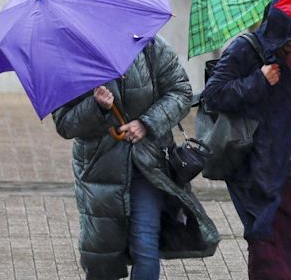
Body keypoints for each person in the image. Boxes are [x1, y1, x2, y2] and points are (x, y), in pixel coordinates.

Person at [52, 35, 219, 280]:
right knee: (101, 257)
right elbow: (65, 123)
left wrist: (146, 123)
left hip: (147, 165)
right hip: (100, 172)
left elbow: (181, 92)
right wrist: (97, 106)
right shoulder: (75, 57)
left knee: (145, 243)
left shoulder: (150, 46)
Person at [202, 0, 291, 280]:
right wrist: (258, 80)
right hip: (263, 169)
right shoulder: (247, 49)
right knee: (269, 252)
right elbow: (214, 94)